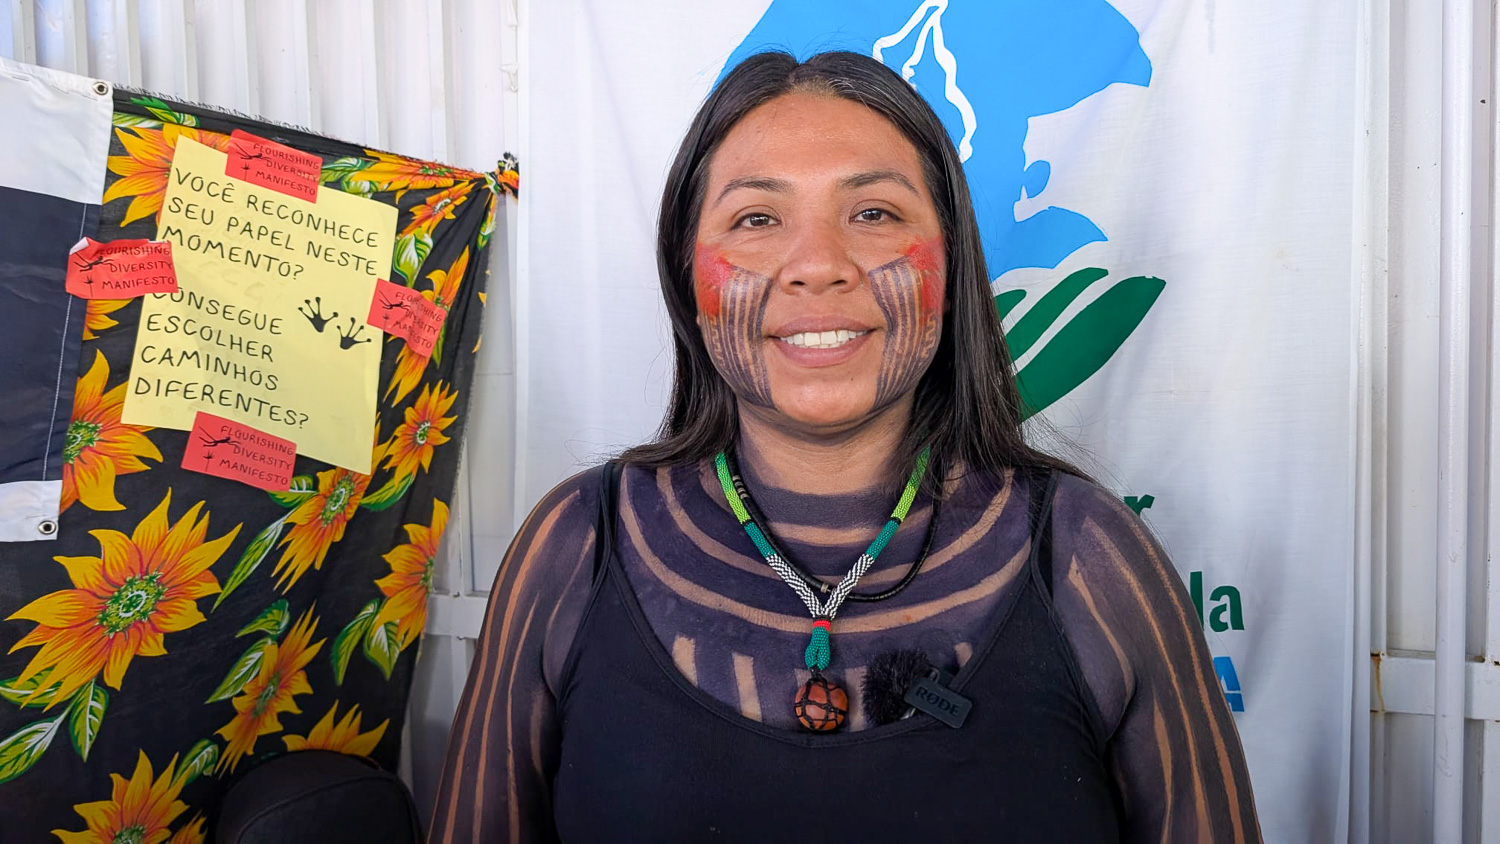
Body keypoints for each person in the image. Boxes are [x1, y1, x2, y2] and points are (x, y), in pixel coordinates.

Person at [431, 50, 1260, 842]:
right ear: (688, 271)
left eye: (873, 213)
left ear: (952, 258)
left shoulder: (1089, 559)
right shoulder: (577, 545)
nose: (818, 265)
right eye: (757, 218)